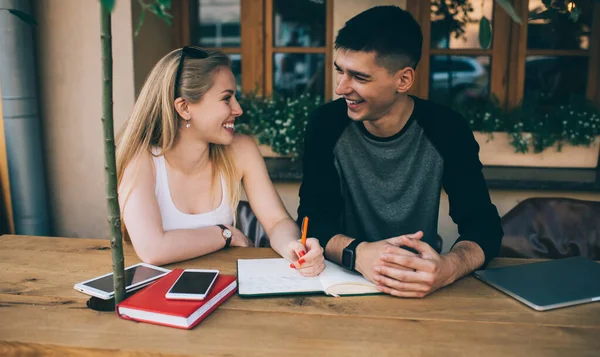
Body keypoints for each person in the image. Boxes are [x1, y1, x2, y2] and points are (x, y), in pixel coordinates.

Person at [297, 6, 503, 297]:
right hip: (341, 282)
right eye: (339, 71)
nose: (341, 88)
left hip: (421, 284)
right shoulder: (325, 124)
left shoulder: (446, 129)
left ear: (403, 80)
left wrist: (449, 268)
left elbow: (484, 225)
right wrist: (360, 253)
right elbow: (312, 220)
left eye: (359, 77)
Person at [117, 46, 324, 276]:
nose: (238, 109)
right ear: (184, 107)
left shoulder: (241, 150)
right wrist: (225, 233)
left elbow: (277, 222)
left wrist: (293, 248)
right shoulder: (142, 160)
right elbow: (152, 249)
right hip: (159, 294)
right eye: (227, 98)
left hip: (223, 288)